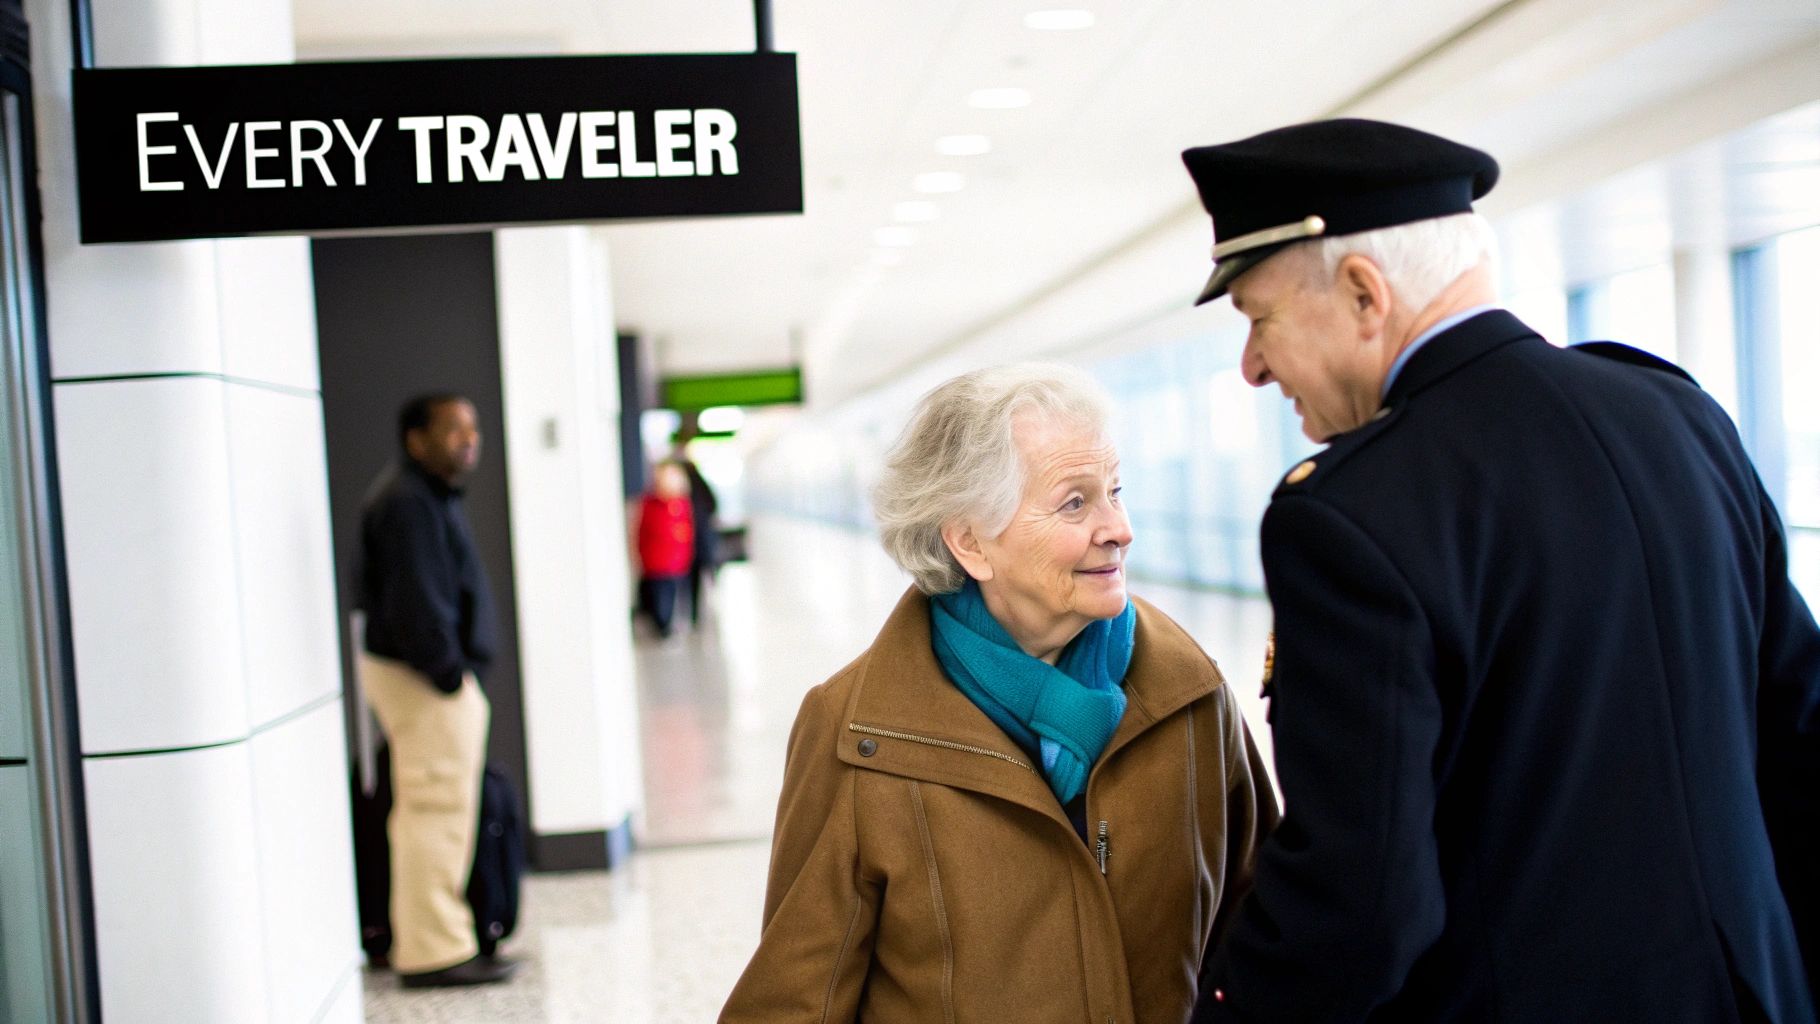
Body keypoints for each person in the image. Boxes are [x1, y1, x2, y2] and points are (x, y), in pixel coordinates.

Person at [1178, 118, 1820, 1022]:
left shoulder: (1352, 513)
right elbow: (1796, 731)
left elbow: (1361, 903)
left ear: (1364, 292)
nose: (1250, 367)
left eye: (1258, 318)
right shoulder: (1675, 415)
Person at [720, 363, 1278, 1023]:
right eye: (1075, 502)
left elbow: (1264, 926)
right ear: (969, 542)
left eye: (1115, 491)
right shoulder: (857, 734)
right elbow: (796, 1000)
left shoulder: (1190, 693)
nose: (1119, 527)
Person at [357, 393, 515, 989]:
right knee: (434, 812)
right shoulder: (408, 505)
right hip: (423, 679)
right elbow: (416, 606)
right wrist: (449, 674)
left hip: (428, 678)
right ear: (415, 439)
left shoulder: (425, 496)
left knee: (441, 810)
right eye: (453, 430)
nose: (468, 439)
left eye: (472, 428)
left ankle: (444, 940)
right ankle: (433, 954)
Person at [636, 460, 694, 638]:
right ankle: (663, 626)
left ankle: (670, 624)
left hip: (677, 562)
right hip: (656, 562)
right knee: (661, 598)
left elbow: (687, 533)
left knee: (674, 595)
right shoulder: (650, 505)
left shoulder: (681, 504)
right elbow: (643, 533)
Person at [672, 434, 721, 626]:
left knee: (687, 579)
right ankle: (695, 614)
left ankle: (689, 612)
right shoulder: (701, 485)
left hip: (686, 542)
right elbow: (713, 506)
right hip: (699, 541)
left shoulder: (679, 494)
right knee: (698, 577)